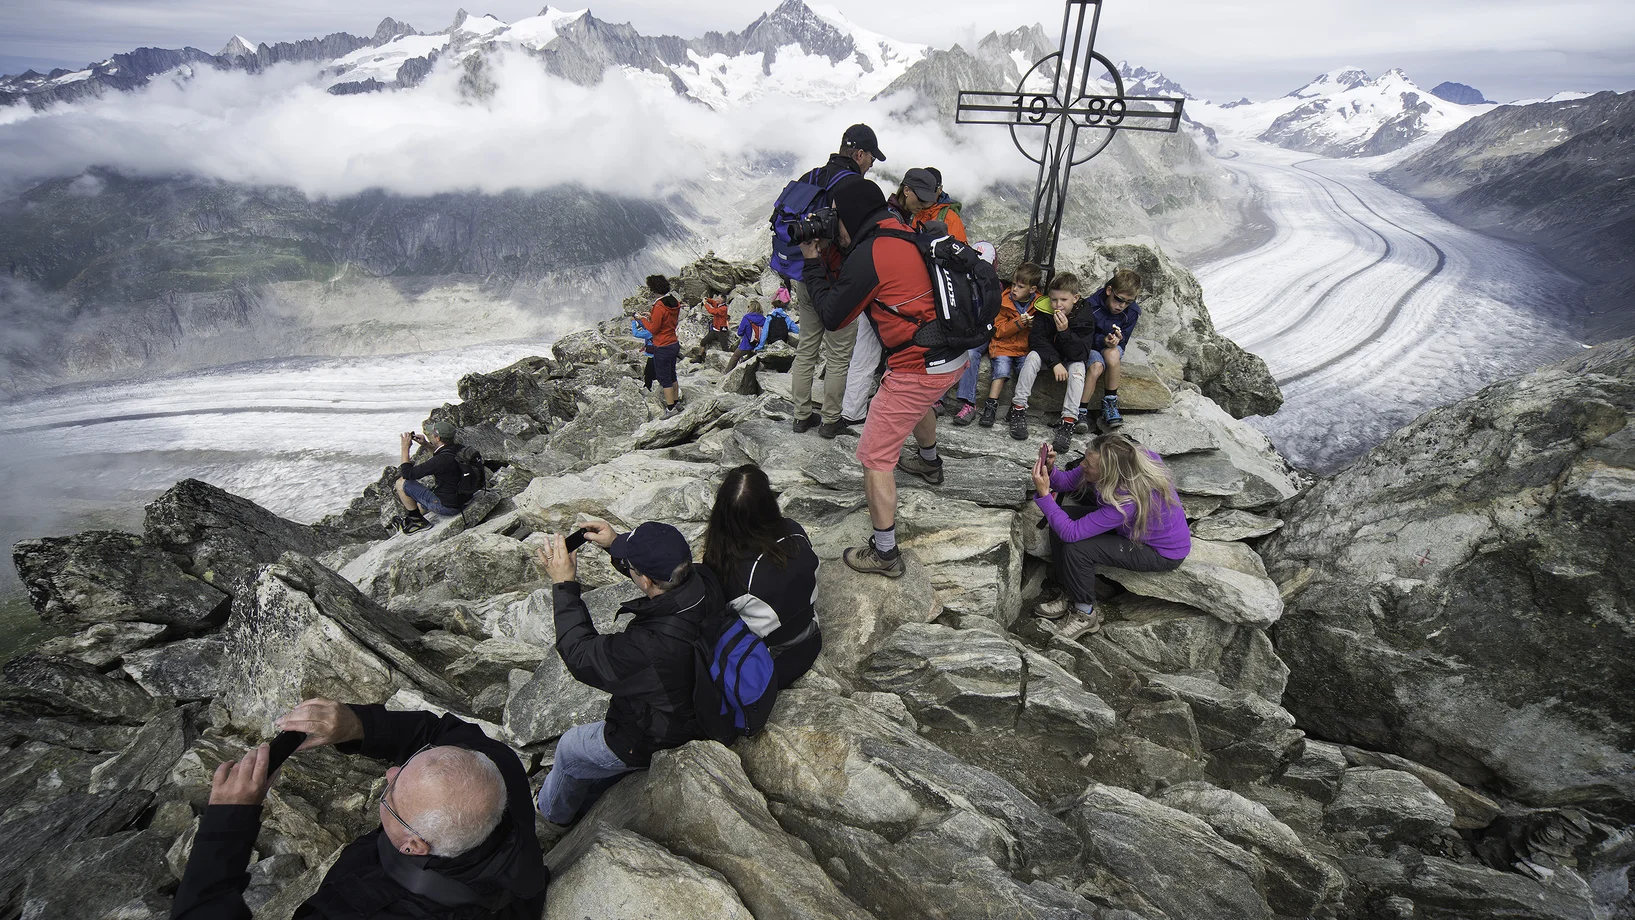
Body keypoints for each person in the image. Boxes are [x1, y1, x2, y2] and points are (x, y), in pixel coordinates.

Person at [171, 698, 549, 919]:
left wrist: (227, 825)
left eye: (393, 794)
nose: (390, 772)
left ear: (413, 846)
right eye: (409, 765)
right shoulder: (500, 774)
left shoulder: (363, 910)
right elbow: (436, 734)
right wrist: (357, 725)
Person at [802, 179, 967, 578]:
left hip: (919, 366)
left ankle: (885, 553)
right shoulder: (902, 230)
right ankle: (929, 462)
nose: (832, 226)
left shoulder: (871, 254)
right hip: (954, 354)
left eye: (836, 218)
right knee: (920, 402)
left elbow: (832, 315)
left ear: (852, 215)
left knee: (875, 456)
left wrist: (811, 260)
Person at [532, 520, 722, 826]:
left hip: (657, 734)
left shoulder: (650, 647)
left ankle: (550, 813)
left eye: (632, 568)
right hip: (696, 696)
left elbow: (580, 655)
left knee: (569, 749)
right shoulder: (705, 580)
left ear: (645, 580)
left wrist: (564, 585)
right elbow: (658, 578)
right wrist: (616, 544)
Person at [1029, 433, 1190, 639]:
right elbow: (1067, 482)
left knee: (1077, 548)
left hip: (1160, 551)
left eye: (1089, 464)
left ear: (1109, 474)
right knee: (1062, 518)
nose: (1083, 465)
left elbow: (1071, 534)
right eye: (1085, 459)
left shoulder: (1126, 500)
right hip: (1127, 527)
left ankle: (1085, 613)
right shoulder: (1126, 459)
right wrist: (1050, 470)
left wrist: (1044, 495)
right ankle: (1070, 591)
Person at [787, 124, 883, 438]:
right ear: (859, 154)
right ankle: (830, 421)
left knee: (807, 348)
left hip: (807, 270)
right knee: (839, 354)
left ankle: (801, 416)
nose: (871, 164)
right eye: (871, 158)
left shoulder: (812, 177)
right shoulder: (854, 187)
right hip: (840, 280)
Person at [701, 464, 822, 690]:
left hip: (769, 657)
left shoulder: (728, 566)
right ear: (768, 503)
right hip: (811, 634)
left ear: (722, 514)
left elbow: (715, 611)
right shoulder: (794, 530)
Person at [1007, 272, 1094, 454]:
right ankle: (1018, 408)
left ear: (1075, 298)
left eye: (1064, 299)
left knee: (1078, 371)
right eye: (1054, 299)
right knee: (1032, 357)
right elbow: (1037, 340)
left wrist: (1064, 331)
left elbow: (1080, 353)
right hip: (1050, 357)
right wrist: (1055, 363)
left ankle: (1068, 422)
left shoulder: (1085, 316)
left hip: (1071, 358)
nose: (1058, 305)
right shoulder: (1045, 310)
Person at [953, 262, 1042, 428]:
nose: (1014, 289)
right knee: (999, 368)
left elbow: (1043, 330)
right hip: (1002, 345)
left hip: (1023, 348)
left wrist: (1033, 325)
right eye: (1014, 284)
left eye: (1020, 286)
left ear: (1032, 289)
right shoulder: (1003, 301)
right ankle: (985, 405)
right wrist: (1018, 323)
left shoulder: (1039, 304)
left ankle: (1017, 409)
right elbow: (998, 330)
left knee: (1026, 370)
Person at [1080, 269, 1144, 430]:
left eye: (1128, 302)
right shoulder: (1091, 305)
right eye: (1119, 299)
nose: (1121, 306)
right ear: (1109, 291)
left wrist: (1117, 340)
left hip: (1111, 347)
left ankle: (1110, 403)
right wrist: (1102, 340)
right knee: (1096, 367)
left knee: (1113, 354)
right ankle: (1080, 411)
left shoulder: (1132, 312)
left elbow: (1124, 341)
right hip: (1091, 346)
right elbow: (1084, 335)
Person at [394, 420, 466, 535]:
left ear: (437, 438)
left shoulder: (441, 460)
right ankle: (411, 518)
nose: (430, 435)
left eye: (432, 434)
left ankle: (418, 522)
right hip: (464, 498)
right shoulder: (459, 449)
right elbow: (442, 456)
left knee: (401, 483)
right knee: (419, 504)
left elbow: (408, 474)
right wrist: (426, 444)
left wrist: (404, 448)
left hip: (449, 507)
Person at [636, 275, 684, 417]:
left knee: (664, 378)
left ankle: (670, 408)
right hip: (673, 343)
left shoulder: (658, 306)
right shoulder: (673, 301)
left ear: (653, 289)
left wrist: (643, 319)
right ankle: (676, 402)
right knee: (672, 374)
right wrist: (651, 315)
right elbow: (666, 320)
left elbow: (654, 329)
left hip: (662, 345)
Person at [892, 167, 967, 243]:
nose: (926, 199)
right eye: (922, 193)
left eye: (931, 191)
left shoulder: (951, 219)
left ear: (940, 189)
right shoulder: (908, 211)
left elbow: (962, 251)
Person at [725, 301, 766, 372]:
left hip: (747, 344)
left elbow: (740, 332)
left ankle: (727, 374)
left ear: (751, 308)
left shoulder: (747, 318)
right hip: (758, 344)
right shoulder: (763, 319)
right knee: (751, 359)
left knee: (735, 356)